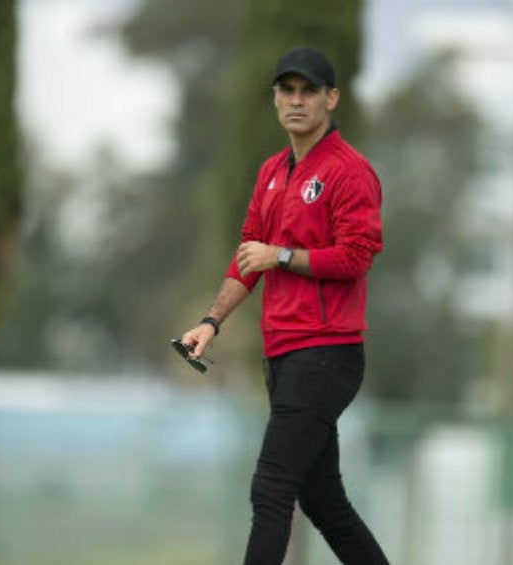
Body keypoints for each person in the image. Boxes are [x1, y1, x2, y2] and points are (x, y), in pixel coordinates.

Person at [178, 46, 390, 565]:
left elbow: (357, 257)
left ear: (330, 98)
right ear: (275, 99)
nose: (297, 100)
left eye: (309, 91)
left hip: (326, 354)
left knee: (270, 489)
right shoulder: (272, 171)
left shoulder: (349, 172)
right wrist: (211, 322)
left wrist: (284, 255)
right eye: (287, 90)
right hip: (284, 355)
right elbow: (249, 255)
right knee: (324, 501)